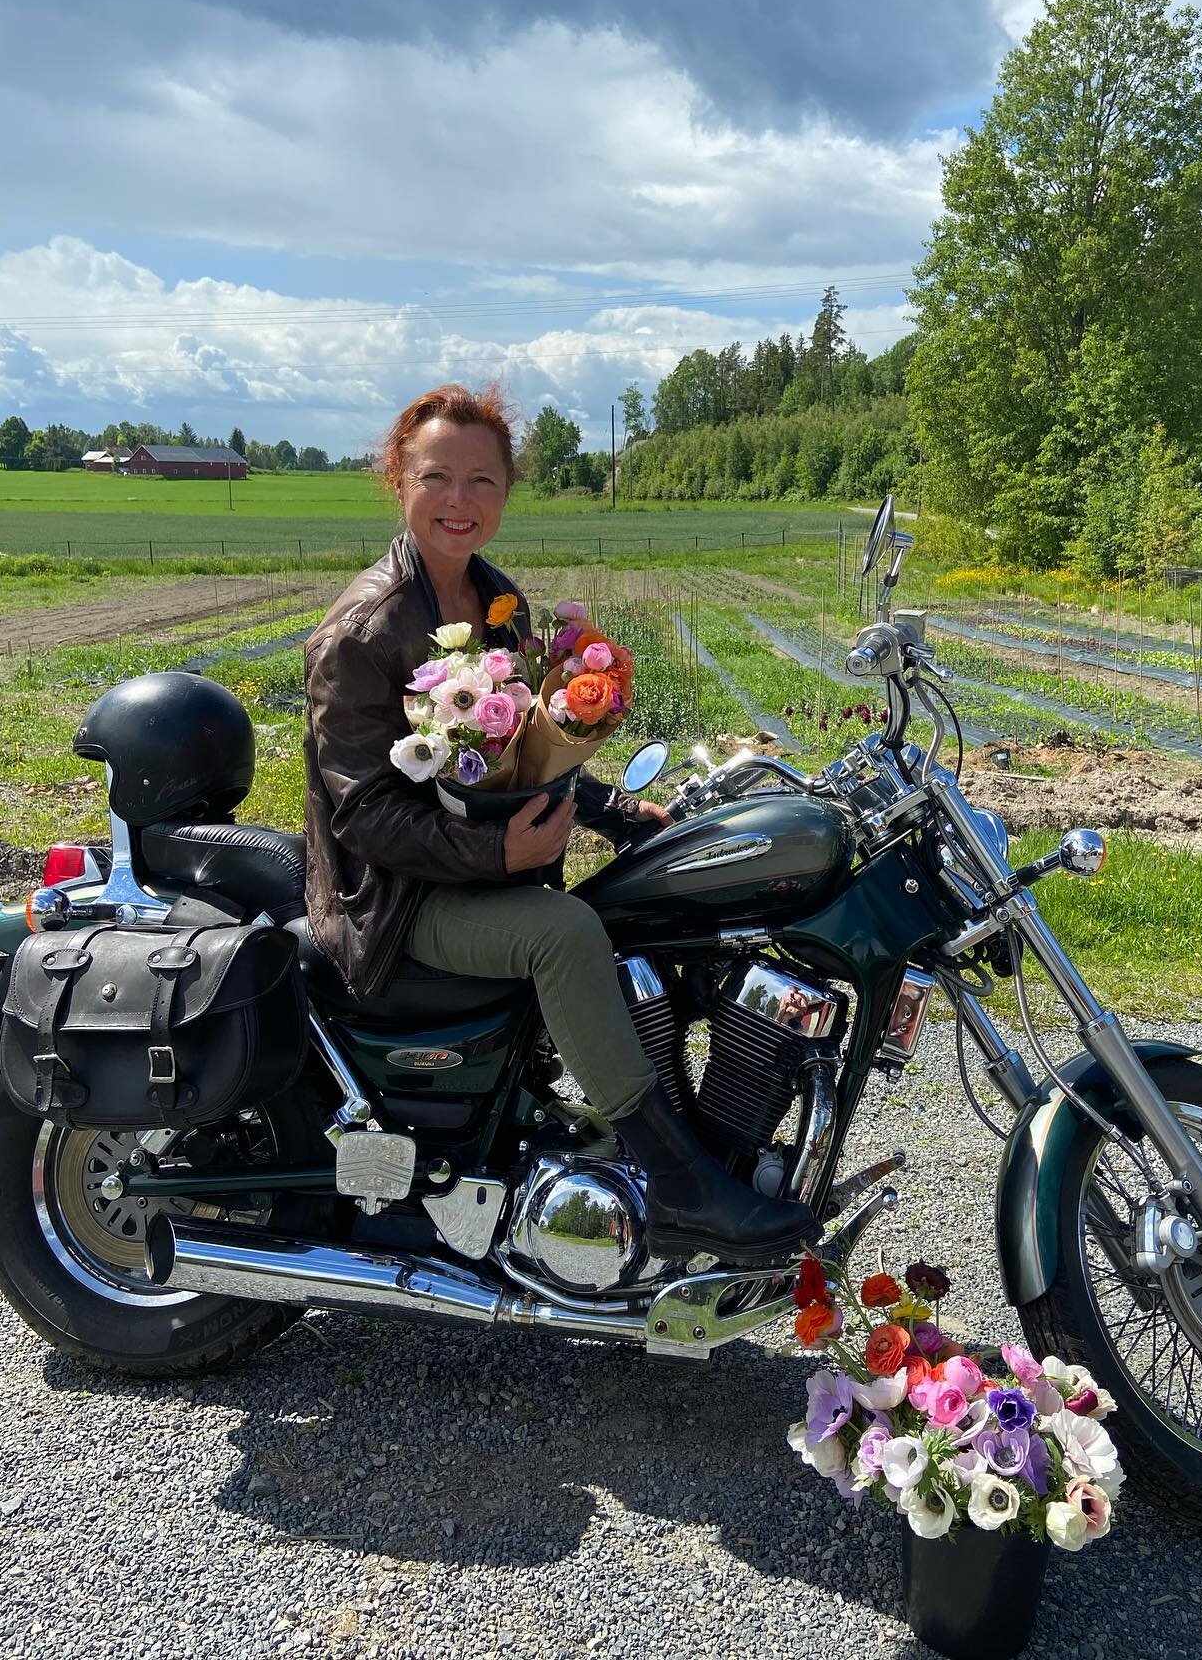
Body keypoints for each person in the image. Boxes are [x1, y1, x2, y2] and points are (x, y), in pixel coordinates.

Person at [303, 383, 818, 1264]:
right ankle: (681, 1183)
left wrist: (624, 813)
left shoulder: (498, 601)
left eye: (482, 482)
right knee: (567, 933)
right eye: (437, 478)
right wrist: (493, 846)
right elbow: (361, 815)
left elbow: (529, 754)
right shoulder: (367, 628)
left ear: (507, 492)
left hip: (474, 877)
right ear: (398, 478)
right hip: (395, 902)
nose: (459, 502)